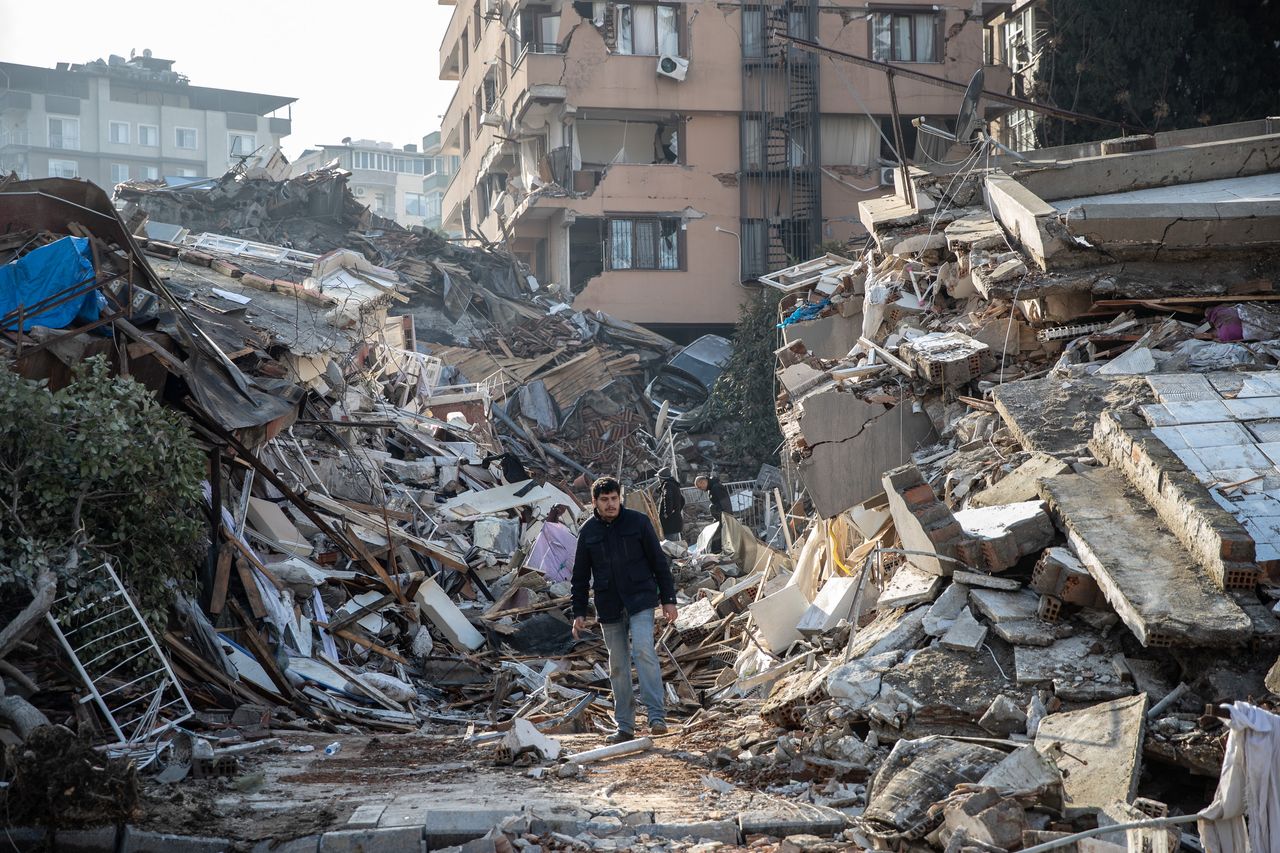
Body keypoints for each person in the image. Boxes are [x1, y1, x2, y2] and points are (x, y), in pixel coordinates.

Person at [571, 476, 678, 742]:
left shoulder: (638, 523)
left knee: (643, 650)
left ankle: (656, 716)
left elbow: (659, 563)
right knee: (618, 665)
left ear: (621, 498)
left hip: (641, 599)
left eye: (614, 498)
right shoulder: (588, 532)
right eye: (604, 500)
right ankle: (625, 727)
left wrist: (669, 599)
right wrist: (579, 612)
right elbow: (580, 575)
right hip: (609, 605)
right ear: (594, 502)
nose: (611, 504)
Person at [695, 473, 732, 552]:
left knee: (718, 536)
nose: (700, 489)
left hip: (723, 516)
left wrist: (723, 517)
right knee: (717, 536)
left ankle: (718, 553)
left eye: (700, 487)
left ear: (703, 482)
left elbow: (725, 504)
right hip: (719, 516)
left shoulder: (716, 488)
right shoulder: (712, 488)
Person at [654, 467, 685, 542]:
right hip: (675, 522)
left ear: (661, 478)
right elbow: (682, 500)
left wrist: (667, 513)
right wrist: (676, 511)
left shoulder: (667, 485)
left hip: (669, 524)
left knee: (670, 547)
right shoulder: (674, 485)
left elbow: (668, 498)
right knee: (675, 547)